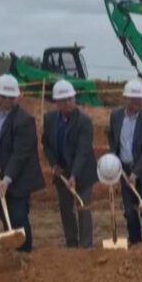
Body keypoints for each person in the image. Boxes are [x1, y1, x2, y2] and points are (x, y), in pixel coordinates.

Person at [0, 74, 45, 252]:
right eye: (5, 97)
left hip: (18, 178)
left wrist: (7, 179)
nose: (10, 101)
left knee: (18, 217)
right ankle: (12, 252)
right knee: (4, 215)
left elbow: (21, 153)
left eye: (13, 98)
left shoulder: (24, 120)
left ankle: (25, 253)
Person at [41, 80, 97, 247]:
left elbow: (83, 151)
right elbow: (47, 144)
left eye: (70, 99)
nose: (68, 103)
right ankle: (71, 243)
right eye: (64, 100)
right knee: (66, 209)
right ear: (57, 102)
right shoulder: (49, 119)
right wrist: (53, 164)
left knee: (83, 208)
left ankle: (86, 245)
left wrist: (73, 175)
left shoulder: (84, 121)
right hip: (61, 171)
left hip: (82, 172)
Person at [106, 79, 142, 244]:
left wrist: (135, 174)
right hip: (124, 171)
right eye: (133, 98)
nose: (138, 102)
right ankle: (135, 243)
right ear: (125, 99)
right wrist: (116, 167)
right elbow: (113, 138)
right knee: (129, 211)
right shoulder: (115, 116)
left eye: (140, 99)